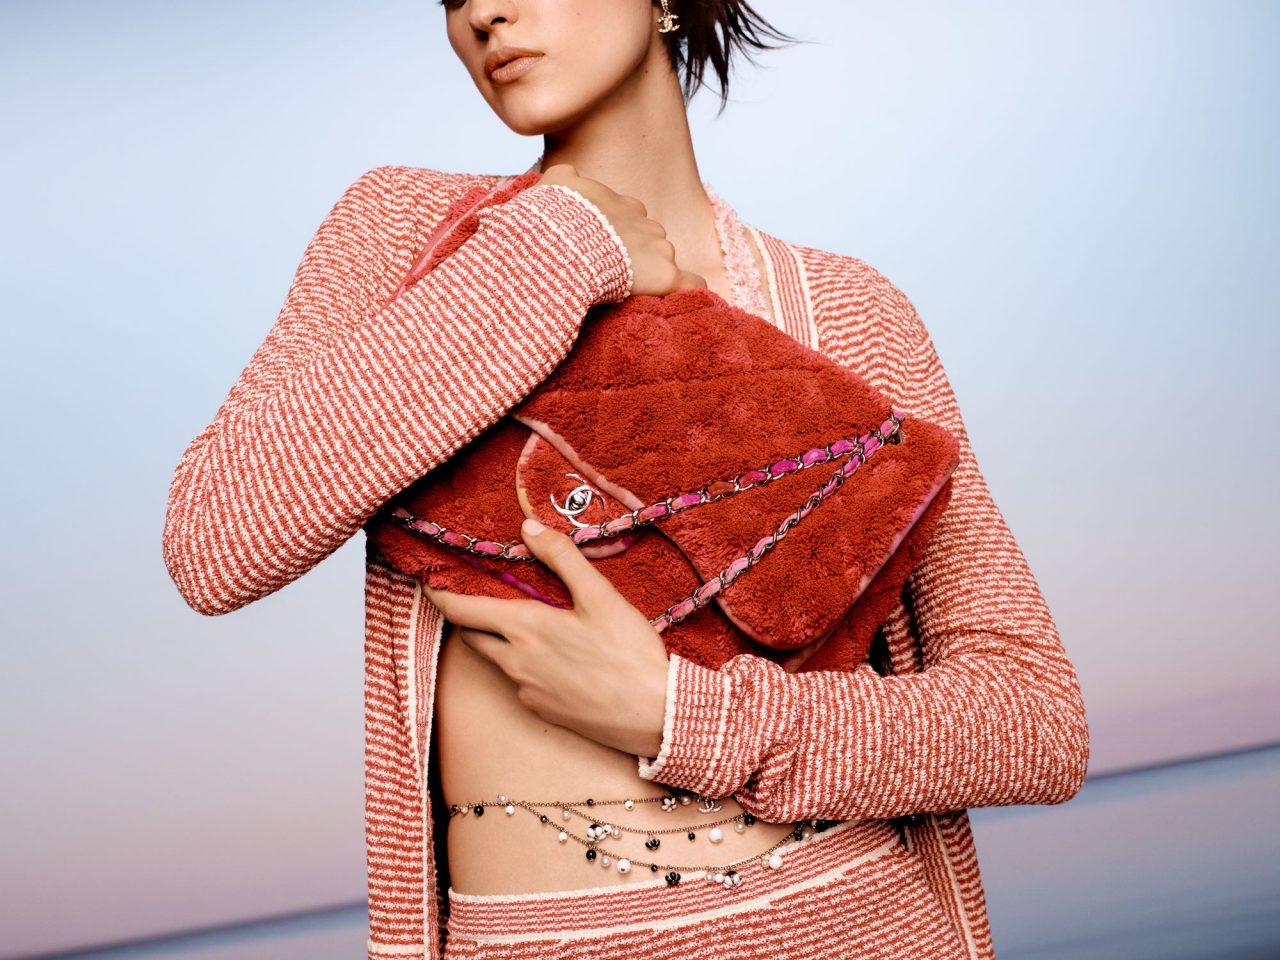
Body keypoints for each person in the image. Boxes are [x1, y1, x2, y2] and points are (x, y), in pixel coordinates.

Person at [161, 1, 1091, 958]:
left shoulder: (847, 311)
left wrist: (684, 717)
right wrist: (568, 245)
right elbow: (217, 538)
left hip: (854, 921)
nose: (484, 12)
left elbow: (1033, 719)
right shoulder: (407, 234)